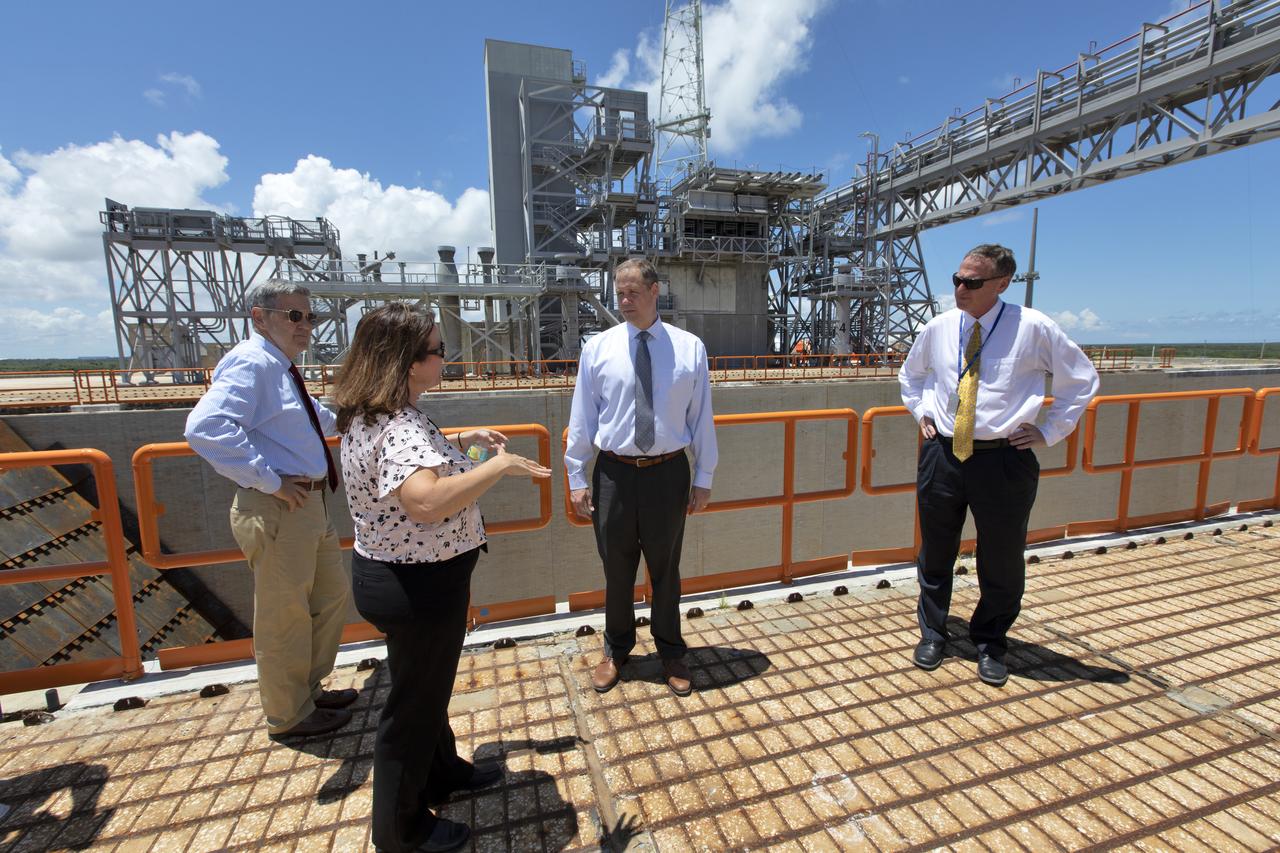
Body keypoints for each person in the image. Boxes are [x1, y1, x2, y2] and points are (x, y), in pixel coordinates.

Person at [332, 303, 550, 853]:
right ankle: (401, 831)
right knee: (410, 709)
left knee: (422, 689)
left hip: (390, 575)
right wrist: (497, 466)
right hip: (420, 586)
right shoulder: (402, 424)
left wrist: (457, 444)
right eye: (437, 349)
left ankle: (442, 771)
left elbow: (410, 461)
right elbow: (425, 502)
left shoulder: (373, 413)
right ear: (408, 362)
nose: (445, 358)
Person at [899, 244, 1099, 687]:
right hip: (943, 453)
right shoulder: (939, 327)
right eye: (957, 279)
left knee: (1002, 556)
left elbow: (1081, 379)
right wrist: (921, 412)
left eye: (972, 282)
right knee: (936, 549)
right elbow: (910, 376)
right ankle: (933, 632)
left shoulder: (1033, 327)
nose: (960, 289)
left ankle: (991, 641)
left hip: (1004, 458)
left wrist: (1048, 432)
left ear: (1002, 283)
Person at [185, 281, 355, 740]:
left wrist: (365, 412)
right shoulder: (252, 362)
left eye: (309, 317)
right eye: (292, 316)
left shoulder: (281, 369)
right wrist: (271, 481)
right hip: (280, 507)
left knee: (329, 598)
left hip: (309, 504)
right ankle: (290, 715)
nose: (304, 326)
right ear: (260, 318)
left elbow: (314, 419)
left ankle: (308, 690)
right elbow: (205, 428)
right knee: (285, 615)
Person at [565, 258, 718, 697]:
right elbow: (582, 417)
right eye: (620, 293)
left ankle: (671, 650)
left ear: (655, 291)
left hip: (668, 472)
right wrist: (576, 476)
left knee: (666, 568)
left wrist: (704, 474)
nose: (624, 301)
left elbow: (701, 415)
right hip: (613, 472)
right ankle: (617, 649)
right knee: (617, 568)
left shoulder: (689, 348)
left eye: (633, 292)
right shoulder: (599, 348)